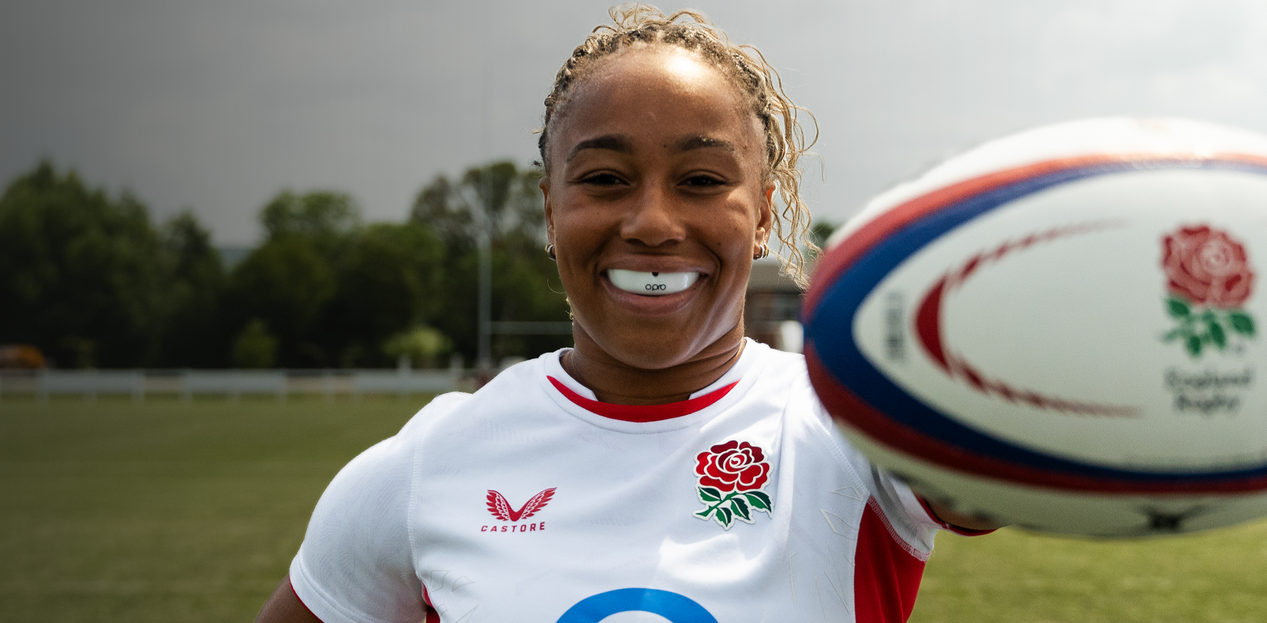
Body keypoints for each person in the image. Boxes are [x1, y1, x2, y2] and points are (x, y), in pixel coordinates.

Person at [255, 5, 995, 623]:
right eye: (605, 178)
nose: (650, 221)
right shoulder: (428, 464)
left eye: (700, 179)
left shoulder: (856, 431)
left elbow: (1028, 445)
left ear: (764, 212)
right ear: (550, 209)